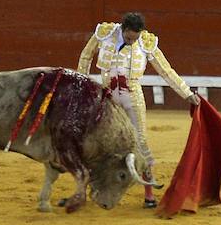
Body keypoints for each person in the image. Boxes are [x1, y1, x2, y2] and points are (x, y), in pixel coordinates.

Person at [76, 13, 198, 208]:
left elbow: (166, 71)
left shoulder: (145, 42)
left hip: (132, 97)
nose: (133, 41)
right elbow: (85, 56)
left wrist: (187, 93)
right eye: (129, 37)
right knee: (99, 142)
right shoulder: (104, 33)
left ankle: (149, 194)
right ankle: (88, 188)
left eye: (136, 38)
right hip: (108, 97)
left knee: (139, 141)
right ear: (123, 29)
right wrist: (82, 85)